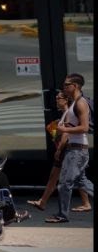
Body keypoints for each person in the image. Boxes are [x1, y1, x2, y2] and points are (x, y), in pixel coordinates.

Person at [51, 74, 91, 224]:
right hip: (75, 149)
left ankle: (62, 215)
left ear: (75, 86)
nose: (64, 87)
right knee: (82, 182)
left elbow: (85, 127)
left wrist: (63, 130)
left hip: (77, 150)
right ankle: (62, 214)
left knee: (64, 184)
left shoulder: (80, 103)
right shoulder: (74, 103)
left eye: (67, 85)